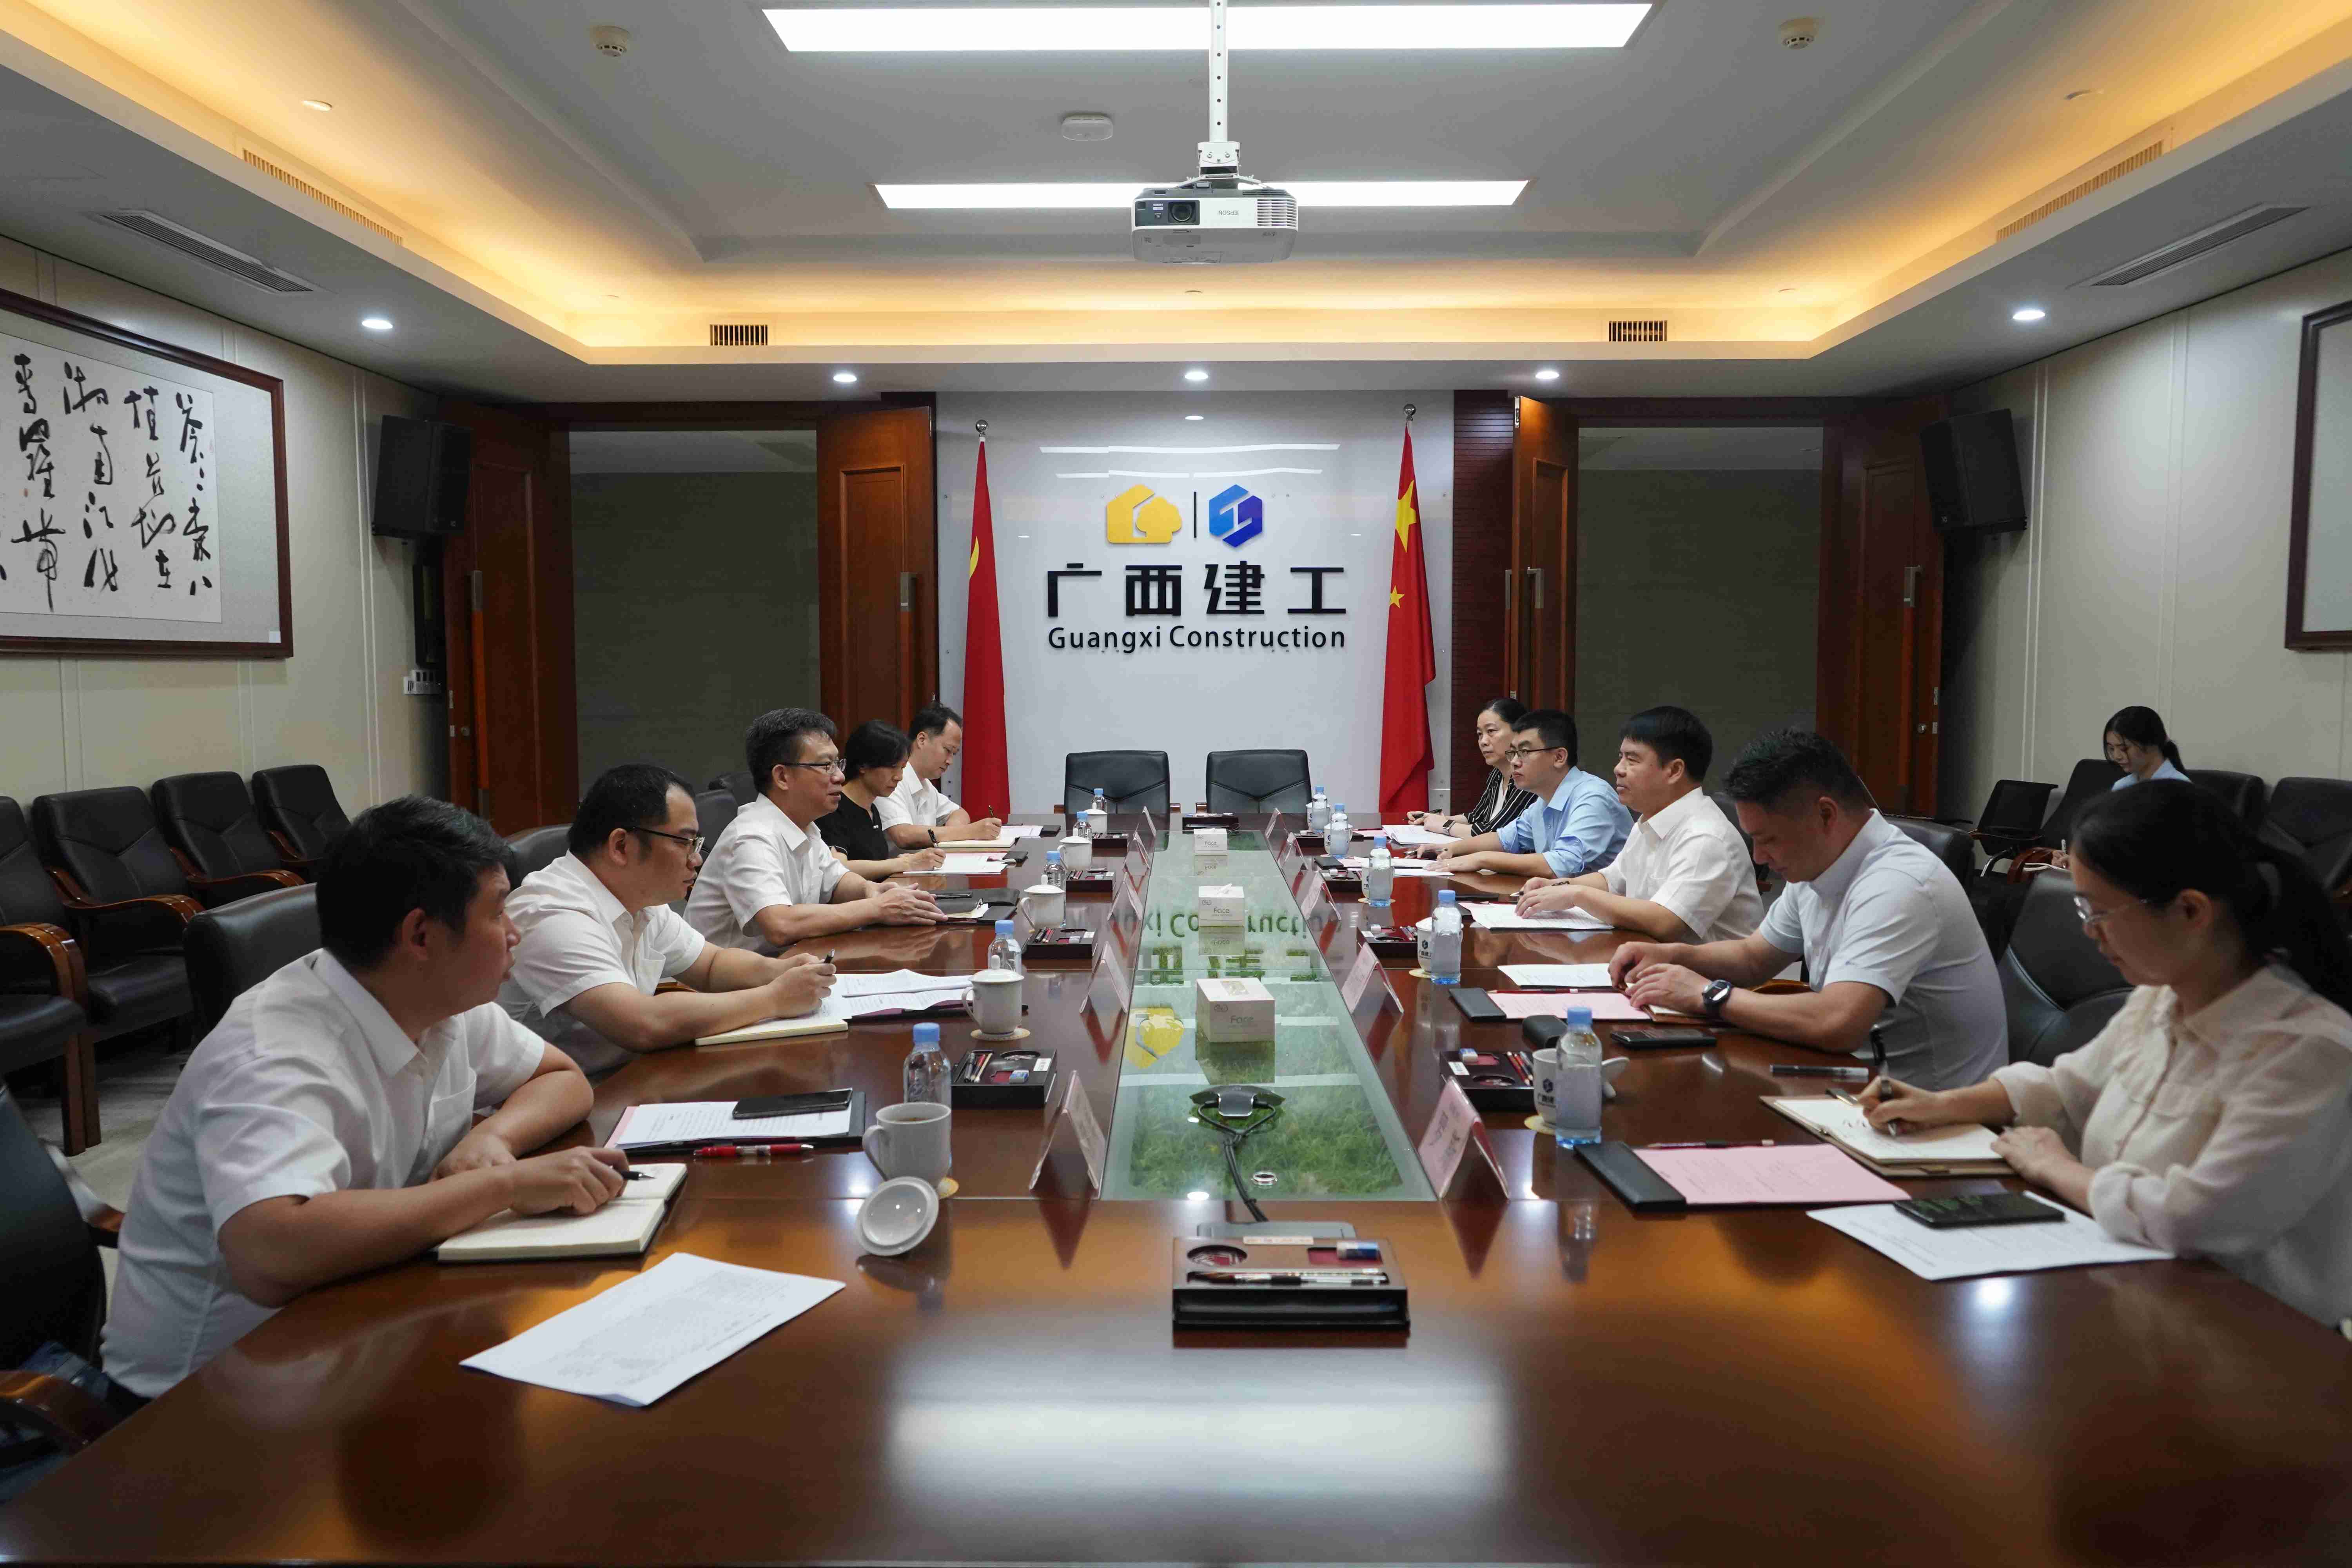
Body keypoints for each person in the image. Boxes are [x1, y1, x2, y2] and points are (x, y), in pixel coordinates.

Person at [103, 797, 628, 1399]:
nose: (515, 933)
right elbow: (270, 1252)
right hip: (209, 1395)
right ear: (421, 935)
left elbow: (562, 1079)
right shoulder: (275, 1051)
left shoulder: (437, 999)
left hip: (363, 1320)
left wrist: (491, 1139)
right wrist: (502, 1186)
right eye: (498, 911)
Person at [1862, 781, 2352, 1328]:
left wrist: (2057, 1168)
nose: (2090, 933)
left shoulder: (2308, 1049)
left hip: (2253, 1337)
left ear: (2190, 911)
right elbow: (2067, 1085)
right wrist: (1942, 1104)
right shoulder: (2161, 998)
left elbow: (2193, 1219)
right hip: (2134, 1293)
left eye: (2098, 912)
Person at [1613, 729, 2005, 1089]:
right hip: (1852, 1084)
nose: (1759, 856)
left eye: (1769, 840)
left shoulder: (1900, 884)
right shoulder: (1819, 864)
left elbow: (1838, 1022)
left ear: (1826, 815)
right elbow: (1753, 958)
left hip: (1933, 1115)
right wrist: (1671, 955)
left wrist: (1708, 994)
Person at [500, 763, 837, 1075]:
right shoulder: (552, 915)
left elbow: (711, 965)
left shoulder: (639, 897)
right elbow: (641, 1024)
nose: (696, 860)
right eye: (685, 842)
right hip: (559, 1097)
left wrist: (781, 970)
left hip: (624, 1076)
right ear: (621, 846)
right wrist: (774, 998)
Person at [688, 707, 944, 951]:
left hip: (790, 964)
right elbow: (781, 925)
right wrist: (878, 908)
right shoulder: (752, 838)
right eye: (826, 766)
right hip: (734, 979)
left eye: (838, 763)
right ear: (782, 777)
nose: (840, 776)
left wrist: (870, 890)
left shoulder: (805, 826)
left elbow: (837, 880)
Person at [1514, 705, 1762, 942]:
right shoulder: (1648, 820)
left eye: (1632, 760)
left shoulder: (1706, 837)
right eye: (1621, 757)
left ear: (1674, 771)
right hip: (1652, 959)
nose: (1618, 769)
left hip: (1706, 970)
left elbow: (1665, 921)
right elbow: (1611, 881)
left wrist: (1576, 894)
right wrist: (1557, 886)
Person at [1429, 708, 1631, 878]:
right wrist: (1451, 849)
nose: (1515, 762)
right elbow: (1505, 840)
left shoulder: (1593, 797)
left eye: (1524, 753)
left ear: (1559, 757)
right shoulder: (1544, 800)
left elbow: (1560, 864)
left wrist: (1482, 859)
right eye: (1513, 753)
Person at [819, 721, 951, 880]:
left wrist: (903, 862)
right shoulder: (834, 808)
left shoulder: (872, 809)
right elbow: (839, 868)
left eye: (902, 768)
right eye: (893, 767)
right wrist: (905, 863)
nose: (899, 777)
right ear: (864, 765)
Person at [1409, 697, 1537, 839]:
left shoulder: (1527, 776)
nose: (1483, 742)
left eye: (1491, 731)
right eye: (1480, 734)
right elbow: (1477, 817)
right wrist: (1434, 819)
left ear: (1518, 732)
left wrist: (1445, 826)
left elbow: (1494, 833)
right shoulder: (1497, 774)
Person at [879, 703, 1004, 848]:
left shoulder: (925, 785)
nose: (950, 761)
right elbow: (904, 835)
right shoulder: (892, 780)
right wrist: (969, 832)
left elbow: (959, 813)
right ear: (922, 740)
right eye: (948, 750)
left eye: (954, 754)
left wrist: (953, 832)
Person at [2105, 705, 2190, 789]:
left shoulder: (2181, 788)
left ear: (2152, 744)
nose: (2117, 757)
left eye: (2124, 749)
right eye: (2112, 749)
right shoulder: (2121, 786)